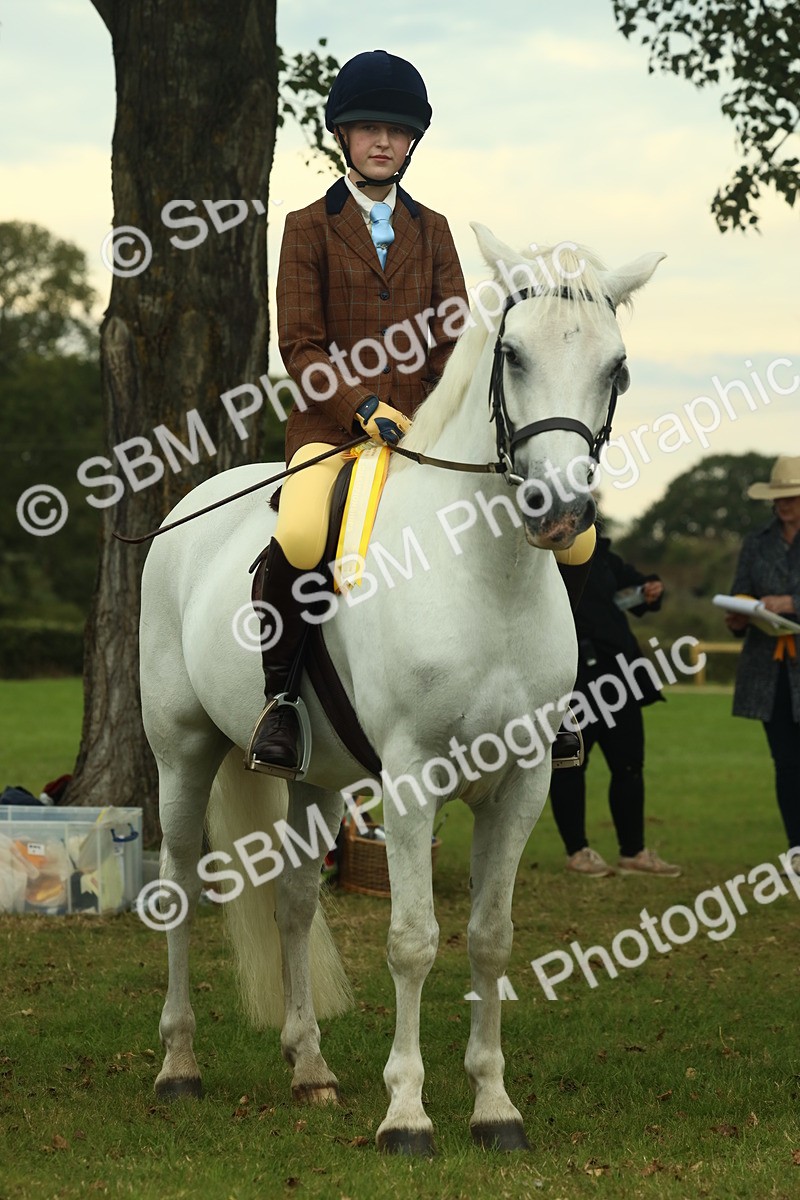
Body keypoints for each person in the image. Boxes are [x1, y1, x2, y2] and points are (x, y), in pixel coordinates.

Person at [247, 49, 596, 775]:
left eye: (396, 131)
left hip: (425, 434)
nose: (383, 142)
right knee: (303, 531)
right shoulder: (307, 226)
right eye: (368, 129)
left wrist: (441, 412)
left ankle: (556, 695)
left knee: (578, 540)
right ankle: (280, 700)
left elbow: (453, 342)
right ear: (342, 136)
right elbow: (301, 344)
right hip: (333, 431)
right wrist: (360, 405)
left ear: (413, 142)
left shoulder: (433, 229)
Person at [549, 530, 682, 877]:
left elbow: (635, 585)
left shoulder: (600, 551)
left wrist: (651, 589)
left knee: (629, 765)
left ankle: (633, 852)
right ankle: (577, 851)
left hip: (620, 674)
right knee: (570, 765)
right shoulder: (545, 553)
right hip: (574, 674)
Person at [725, 455, 800, 865]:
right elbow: (742, 591)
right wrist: (739, 616)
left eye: (790, 496)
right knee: (786, 764)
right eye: (778, 496)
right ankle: (797, 849)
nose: (782, 503)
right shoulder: (756, 542)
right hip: (770, 673)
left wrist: (791, 603)